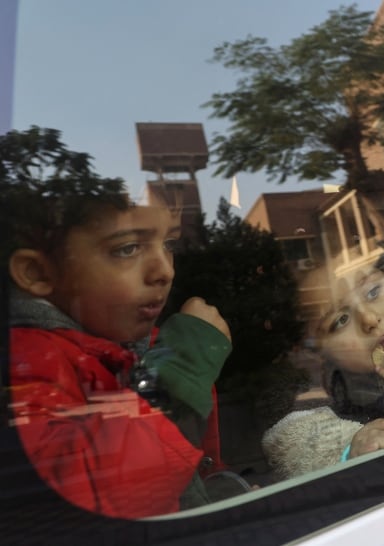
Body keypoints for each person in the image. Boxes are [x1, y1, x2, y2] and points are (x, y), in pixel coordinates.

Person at [5, 172, 232, 518]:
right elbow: (96, 497)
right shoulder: (27, 364)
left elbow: (195, 466)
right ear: (38, 273)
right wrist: (182, 371)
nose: (165, 271)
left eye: (168, 245)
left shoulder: (147, 348)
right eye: (127, 248)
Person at [262, 265, 384, 479]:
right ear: (314, 350)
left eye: (373, 292)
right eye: (340, 320)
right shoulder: (312, 402)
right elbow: (294, 442)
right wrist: (348, 452)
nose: (370, 320)